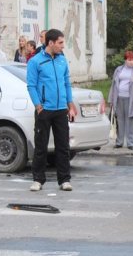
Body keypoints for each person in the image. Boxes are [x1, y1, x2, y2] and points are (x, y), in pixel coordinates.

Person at [26, 29, 77, 192]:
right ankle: (38, 180)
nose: (63, 46)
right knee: (41, 146)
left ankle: (64, 180)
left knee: (63, 146)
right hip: (44, 110)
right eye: (60, 43)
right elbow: (31, 85)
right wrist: (38, 105)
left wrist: (70, 104)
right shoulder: (35, 61)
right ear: (50, 43)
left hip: (61, 109)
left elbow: (66, 83)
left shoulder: (62, 61)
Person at [108, 50, 133, 150]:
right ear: (125, 60)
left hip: (130, 99)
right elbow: (113, 85)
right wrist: (111, 99)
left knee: (130, 121)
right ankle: (119, 142)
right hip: (118, 98)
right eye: (129, 60)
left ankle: (130, 143)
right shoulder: (119, 70)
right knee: (119, 120)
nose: (131, 62)